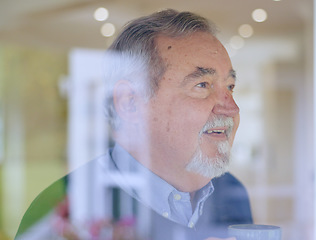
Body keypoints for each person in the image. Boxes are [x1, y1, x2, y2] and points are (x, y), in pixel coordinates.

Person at [15, 9, 252, 240]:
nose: (232, 108)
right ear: (130, 102)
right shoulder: (62, 210)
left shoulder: (232, 194)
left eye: (230, 86)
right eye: (202, 85)